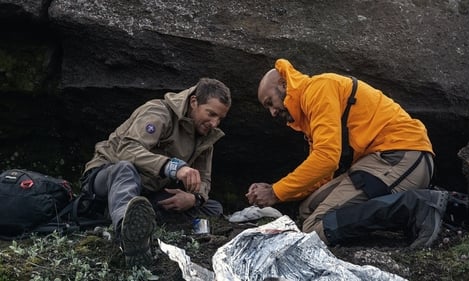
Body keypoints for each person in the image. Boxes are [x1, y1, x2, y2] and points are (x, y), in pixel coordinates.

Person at [246, 58, 445, 248]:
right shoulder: (307, 112)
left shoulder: (318, 89)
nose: (272, 113)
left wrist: (275, 192)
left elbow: (327, 158)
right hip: (374, 162)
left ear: (283, 84)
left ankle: (418, 206)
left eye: (269, 102)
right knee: (307, 209)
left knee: (314, 228)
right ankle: (402, 213)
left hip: (402, 155)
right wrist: (278, 192)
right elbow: (322, 174)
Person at [80, 77, 231, 267]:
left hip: (146, 191)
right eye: (211, 114)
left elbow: (205, 179)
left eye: (220, 118)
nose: (214, 123)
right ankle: (126, 233)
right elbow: (126, 150)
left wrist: (194, 198)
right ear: (194, 102)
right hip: (106, 176)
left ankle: (137, 219)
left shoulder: (206, 136)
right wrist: (173, 167)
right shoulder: (159, 112)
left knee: (212, 208)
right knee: (125, 169)